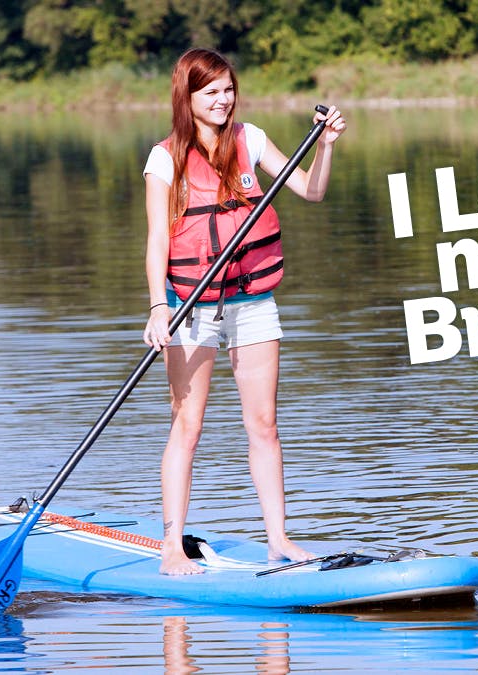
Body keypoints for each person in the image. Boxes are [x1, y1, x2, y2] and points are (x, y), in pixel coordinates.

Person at [142, 48, 346, 576]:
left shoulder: (249, 139)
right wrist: (157, 307)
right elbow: (158, 239)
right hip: (190, 305)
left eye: (228, 89)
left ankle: (279, 540)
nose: (223, 99)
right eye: (210, 92)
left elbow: (311, 191)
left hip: (251, 301)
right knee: (188, 424)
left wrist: (325, 146)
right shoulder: (163, 159)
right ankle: (171, 546)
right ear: (186, 97)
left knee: (265, 424)